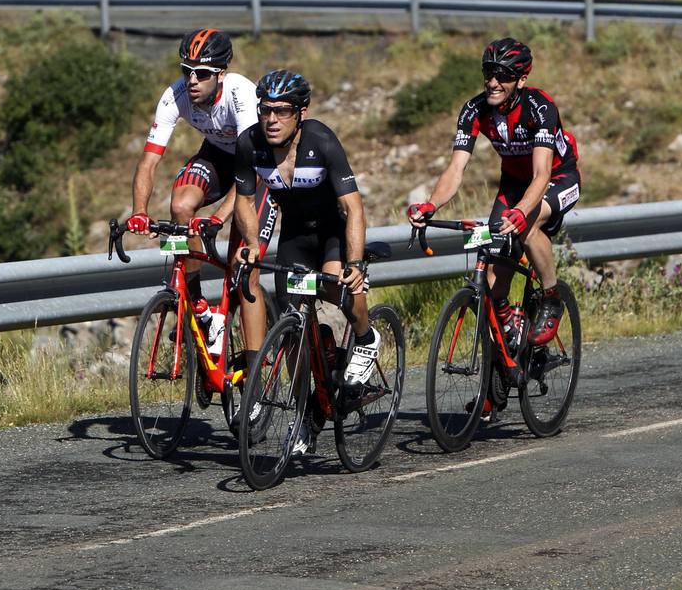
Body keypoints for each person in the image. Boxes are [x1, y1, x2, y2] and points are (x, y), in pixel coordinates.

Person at [406, 38, 580, 364]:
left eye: (503, 75)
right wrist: (431, 204)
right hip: (514, 184)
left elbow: (541, 174)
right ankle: (495, 383)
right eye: (489, 73)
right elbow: (456, 169)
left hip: (557, 178)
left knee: (525, 227)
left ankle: (551, 297)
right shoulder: (474, 109)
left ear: (521, 80)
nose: (493, 82)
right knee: (490, 289)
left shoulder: (540, 107)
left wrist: (520, 211)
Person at [232, 69, 373, 454]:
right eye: (265, 110)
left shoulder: (322, 141)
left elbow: (353, 208)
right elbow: (244, 201)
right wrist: (251, 243)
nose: (271, 120)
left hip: (332, 231)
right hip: (294, 235)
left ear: (301, 113)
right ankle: (306, 414)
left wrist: (355, 264)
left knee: (335, 284)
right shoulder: (250, 144)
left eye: (282, 111)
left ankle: (365, 338)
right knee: (291, 327)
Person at [125, 29, 277, 353]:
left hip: (258, 169)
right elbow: (148, 162)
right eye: (186, 71)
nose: (192, 80)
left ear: (221, 74)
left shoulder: (242, 96)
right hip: (218, 155)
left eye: (203, 73)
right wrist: (139, 212)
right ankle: (202, 311)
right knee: (181, 207)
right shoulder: (175, 95)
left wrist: (219, 217)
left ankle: (254, 376)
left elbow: (250, 171)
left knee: (243, 268)